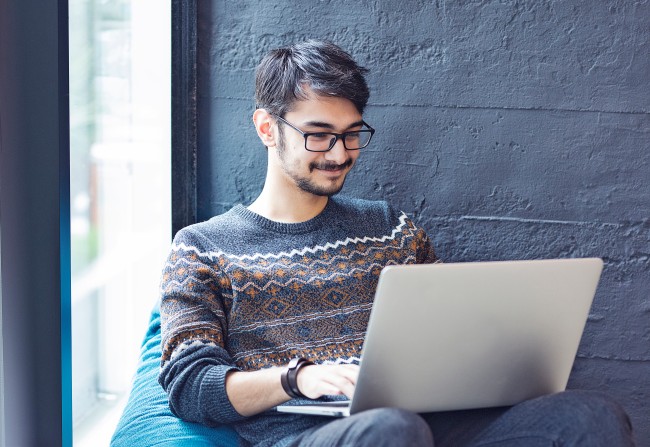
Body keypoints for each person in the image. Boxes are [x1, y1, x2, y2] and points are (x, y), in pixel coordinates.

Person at [158, 40, 635, 446]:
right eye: (320, 136)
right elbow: (189, 386)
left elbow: (450, 334)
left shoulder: (390, 228)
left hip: (433, 425)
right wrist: (297, 377)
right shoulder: (203, 247)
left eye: (351, 135)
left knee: (589, 415)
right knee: (390, 429)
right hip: (314, 434)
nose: (340, 154)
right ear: (267, 128)